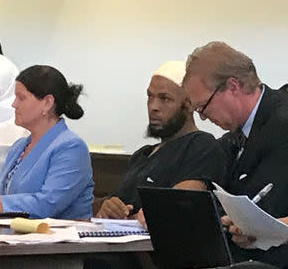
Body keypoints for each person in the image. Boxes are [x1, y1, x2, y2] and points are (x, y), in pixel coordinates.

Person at [183, 41, 288, 269]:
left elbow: (266, 206)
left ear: (233, 86)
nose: (203, 118)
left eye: (203, 106)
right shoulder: (235, 135)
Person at [96, 61, 228, 219]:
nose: (153, 107)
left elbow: (176, 206)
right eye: (150, 96)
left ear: (189, 105)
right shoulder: (142, 155)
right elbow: (118, 207)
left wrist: (139, 217)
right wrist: (110, 208)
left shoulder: (201, 145)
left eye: (165, 98)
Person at [0, 65, 93, 219]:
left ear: (47, 103)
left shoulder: (71, 147)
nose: (14, 104)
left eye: (21, 97)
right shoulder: (19, 146)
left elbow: (47, 204)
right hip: (14, 235)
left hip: (60, 240)